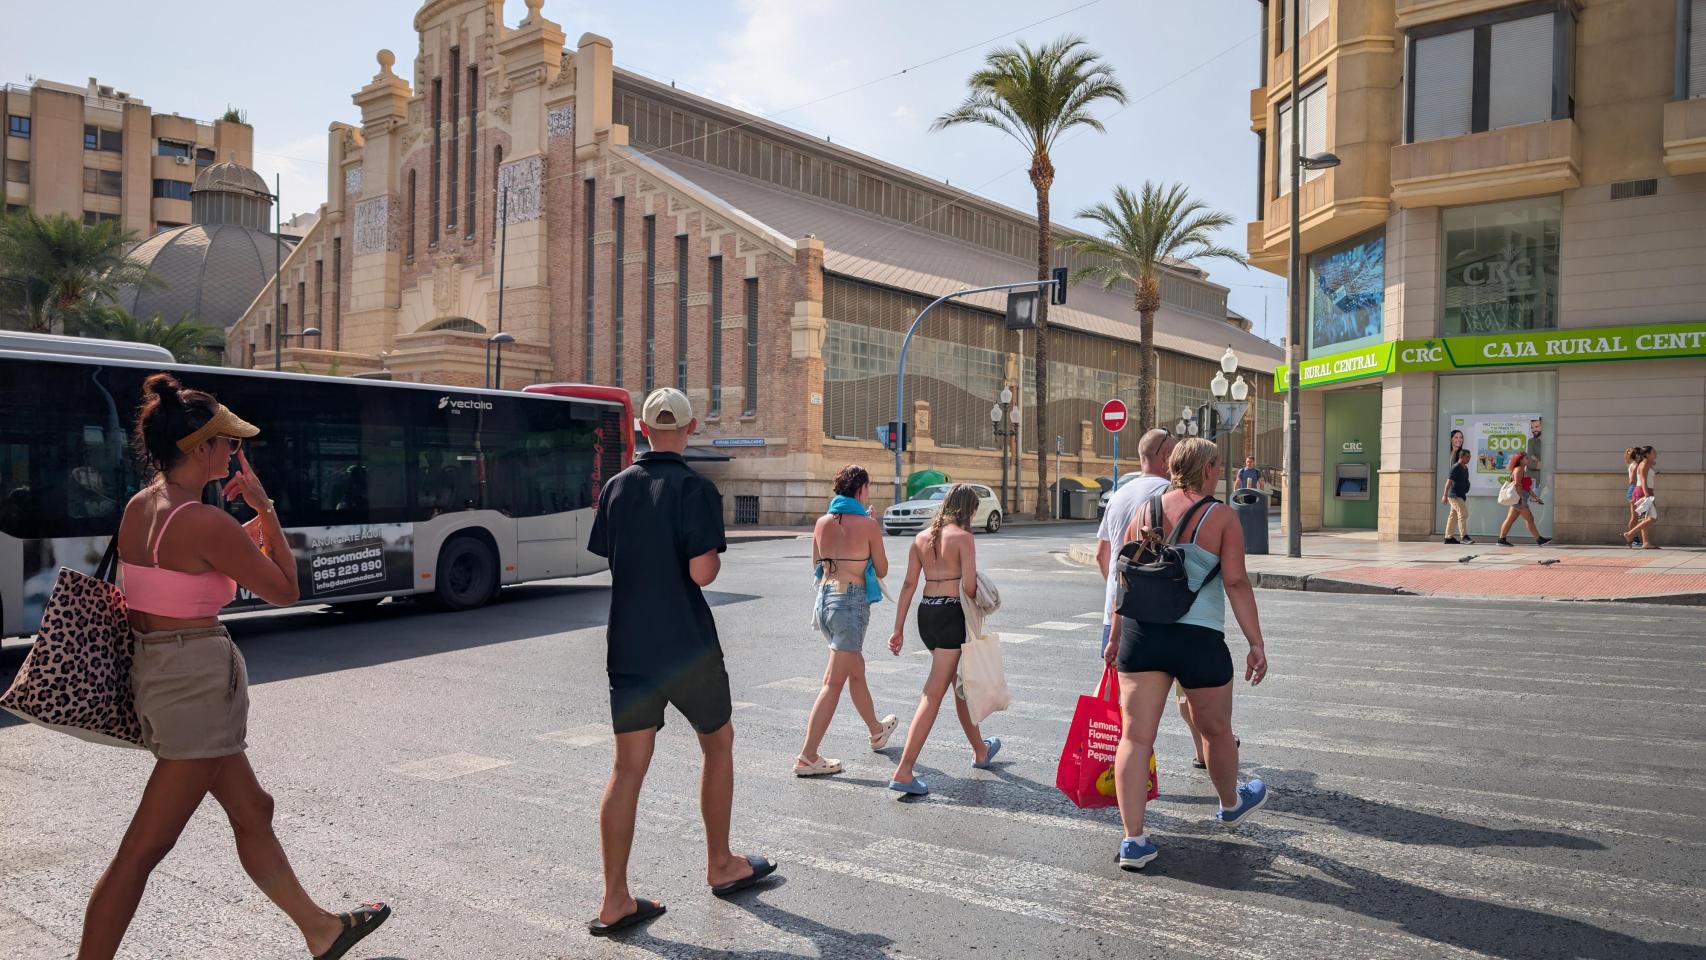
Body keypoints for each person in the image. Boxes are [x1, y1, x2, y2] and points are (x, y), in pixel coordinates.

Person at [82, 373, 389, 960]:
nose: (234, 451)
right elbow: (285, 590)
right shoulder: (205, 522)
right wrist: (265, 507)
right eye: (227, 441)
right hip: (195, 684)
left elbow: (191, 565)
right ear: (201, 447)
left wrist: (247, 525)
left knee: (253, 809)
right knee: (141, 851)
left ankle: (321, 930)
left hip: (161, 675)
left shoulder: (144, 507)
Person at [585, 387, 775, 937]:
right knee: (717, 743)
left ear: (643, 431)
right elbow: (701, 573)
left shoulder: (617, 487)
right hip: (687, 646)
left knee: (626, 769)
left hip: (629, 646)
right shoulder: (695, 488)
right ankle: (721, 863)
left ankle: (614, 899)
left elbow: (612, 558)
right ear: (691, 430)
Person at [1107, 438, 1269, 871]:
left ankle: (1133, 841)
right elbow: (1236, 582)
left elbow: (1126, 577)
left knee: (1135, 737)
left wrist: (1115, 637)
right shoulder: (1222, 517)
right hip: (1198, 638)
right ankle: (1231, 804)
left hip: (1142, 635)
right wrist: (1255, 642)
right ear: (1209, 468)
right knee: (1216, 731)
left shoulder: (1144, 511)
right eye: (1218, 466)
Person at [1095, 430, 1216, 766]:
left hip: (1118, 610)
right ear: (1166, 457)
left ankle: (1109, 765)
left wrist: (1124, 593)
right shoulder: (1167, 495)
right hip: (1163, 612)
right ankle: (1206, 749)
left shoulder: (1118, 495)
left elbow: (1102, 555)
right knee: (1186, 690)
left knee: (1122, 698)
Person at [886, 484, 999, 796]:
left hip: (927, 615)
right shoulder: (963, 538)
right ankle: (904, 770)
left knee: (958, 684)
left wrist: (898, 629)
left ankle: (980, 750)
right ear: (968, 510)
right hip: (951, 615)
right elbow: (971, 588)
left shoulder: (922, 538)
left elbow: (908, 585)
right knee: (932, 695)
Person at [794, 464, 898, 777]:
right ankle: (808, 756)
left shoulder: (822, 522)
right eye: (868, 488)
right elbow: (882, 569)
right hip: (850, 604)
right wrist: (869, 527)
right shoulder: (867, 525)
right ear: (861, 489)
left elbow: (816, 564)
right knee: (833, 682)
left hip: (825, 601)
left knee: (856, 672)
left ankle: (876, 730)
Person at [1497, 451, 1550, 547]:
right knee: (1529, 518)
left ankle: (1501, 539)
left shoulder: (1522, 469)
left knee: (1510, 520)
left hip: (1519, 499)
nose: (1528, 459)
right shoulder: (1519, 470)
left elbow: (1526, 487)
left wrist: (1536, 497)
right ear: (1520, 460)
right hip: (1519, 499)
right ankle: (1539, 539)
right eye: (1526, 458)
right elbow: (1517, 485)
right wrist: (1522, 500)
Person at [1624, 445, 1660, 549]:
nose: (1656, 453)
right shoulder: (1644, 464)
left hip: (1644, 491)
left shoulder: (1645, 463)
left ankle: (1645, 542)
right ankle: (1630, 534)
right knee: (1652, 518)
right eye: (1653, 452)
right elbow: (1643, 480)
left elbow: (1651, 467)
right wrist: (1646, 494)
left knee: (1645, 518)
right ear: (1647, 454)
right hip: (1642, 492)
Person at [1441, 449, 1474, 545]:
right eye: (1467, 457)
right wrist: (1444, 495)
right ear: (1461, 457)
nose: (1469, 458)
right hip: (1454, 496)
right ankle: (1464, 537)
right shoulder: (1455, 467)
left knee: (1453, 516)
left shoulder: (1465, 468)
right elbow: (1448, 482)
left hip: (1461, 496)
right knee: (1463, 514)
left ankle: (1448, 537)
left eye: (1470, 457)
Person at [1624, 447, 1644, 547]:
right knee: (1635, 517)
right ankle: (1632, 538)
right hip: (1634, 490)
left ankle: (1632, 538)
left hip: (1633, 490)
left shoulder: (1633, 464)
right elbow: (1631, 480)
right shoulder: (1635, 465)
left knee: (1636, 517)